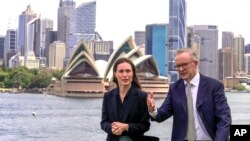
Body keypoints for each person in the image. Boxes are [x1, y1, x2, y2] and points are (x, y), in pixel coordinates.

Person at [147, 48, 231, 141]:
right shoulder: (174, 88)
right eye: (178, 66)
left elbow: (224, 119)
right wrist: (153, 109)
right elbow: (161, 115)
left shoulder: (214, 86)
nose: (181, 69)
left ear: (195, 63)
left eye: (184, 65)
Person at [101, 57, 158, 141]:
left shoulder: (142, 97)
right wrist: (111, 128)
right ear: (115, 74)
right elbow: (104, 122)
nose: (125, 75)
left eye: (128, 71)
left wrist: (127, 127)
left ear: (133, 73)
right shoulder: (108, 96)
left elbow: (145, 125)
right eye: (121, 71)